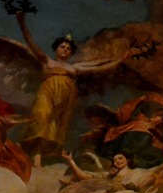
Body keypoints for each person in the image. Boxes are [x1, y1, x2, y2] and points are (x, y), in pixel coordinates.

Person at [14, 11, 132, 166]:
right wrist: (22, 23)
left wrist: (119, 60)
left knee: (58, 124)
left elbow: (99, 66)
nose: (65, 50)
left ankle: (42, 157)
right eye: (62, 47)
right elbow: (31, 43)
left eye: (69, 49)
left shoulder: (74, 67)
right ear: (56, 49)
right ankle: (34, 155)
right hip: (48, 93)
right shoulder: (48, 62)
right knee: (42, 119)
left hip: (67, 97)